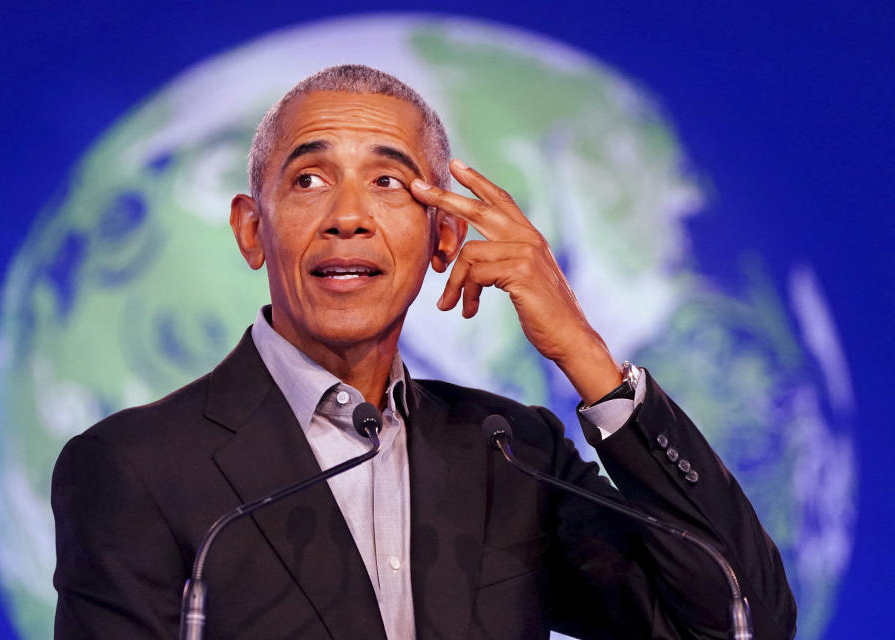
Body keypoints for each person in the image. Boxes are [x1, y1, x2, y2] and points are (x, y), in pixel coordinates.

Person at [52, 64, 796, 639]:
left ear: (444, 237)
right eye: (309, 179)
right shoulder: (134, 468)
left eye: (387, 182)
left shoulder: (509, 454)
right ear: (252, 230)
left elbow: (741, 620)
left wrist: (584, 352)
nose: (348, 217)